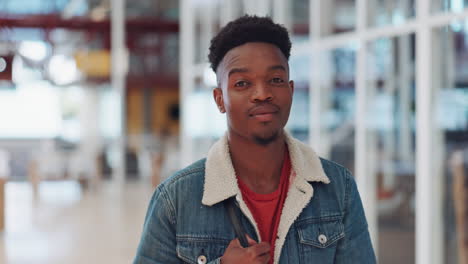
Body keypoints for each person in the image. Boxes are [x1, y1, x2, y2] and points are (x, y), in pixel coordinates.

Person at [134, 15, 376, 264]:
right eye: (242, 83)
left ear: (290, 91)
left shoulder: (337, 188)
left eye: (275, 80)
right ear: (219, 99)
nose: (262, 94)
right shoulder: (176, 198)